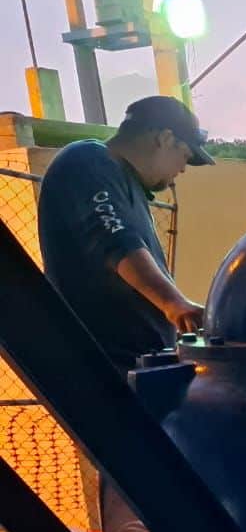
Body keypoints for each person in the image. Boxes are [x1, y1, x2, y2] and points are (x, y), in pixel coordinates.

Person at [38, 95, 211, 376]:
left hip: (140, 367)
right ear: (165, 139)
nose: (181, 169)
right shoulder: (87, 161)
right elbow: (116, 241)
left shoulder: (125, 183)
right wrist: (175, 305)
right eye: (185, 157)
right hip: (107, 371)